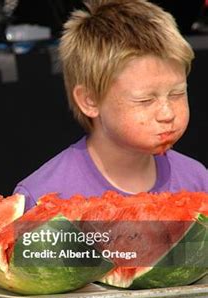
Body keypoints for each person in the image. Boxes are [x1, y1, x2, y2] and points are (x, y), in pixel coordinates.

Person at [13, 0, 208, 211]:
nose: (167, 113)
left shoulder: (198, 181)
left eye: (177, 93)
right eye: (145, 100)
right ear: (90, 100)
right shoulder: (41, 199)